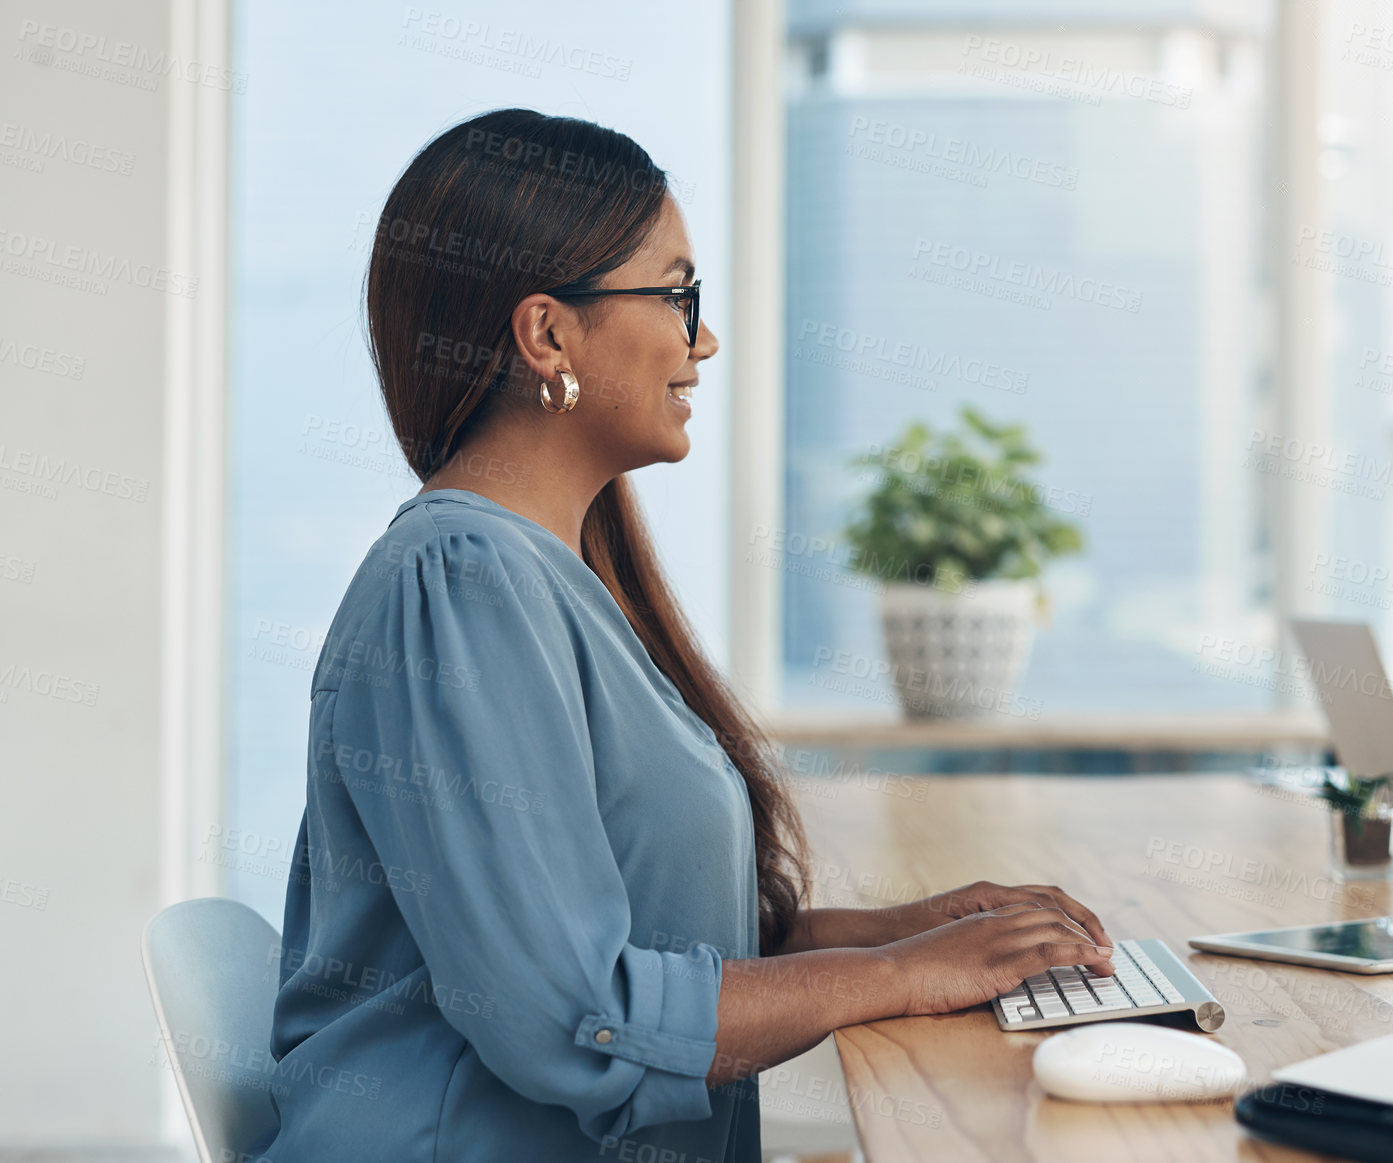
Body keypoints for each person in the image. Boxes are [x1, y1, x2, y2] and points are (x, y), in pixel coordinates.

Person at [256, 107, 1115, 1163]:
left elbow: (657, 940)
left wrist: (916, 929)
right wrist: (901, 976)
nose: (700, 338)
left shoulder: (549, 578)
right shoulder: (461, 583)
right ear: (547, 334)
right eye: (674, 294)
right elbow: (574, 1015)